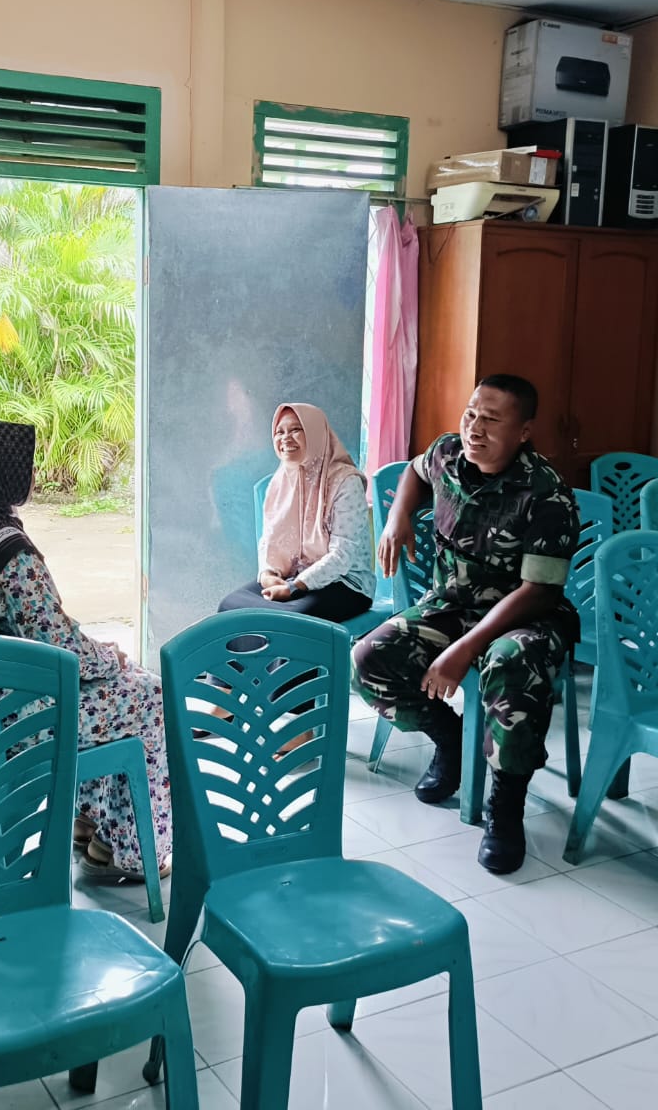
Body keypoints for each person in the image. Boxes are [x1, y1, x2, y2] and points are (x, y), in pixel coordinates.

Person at [0, 420, 171, 881]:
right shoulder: (8, 555)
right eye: (23, 466)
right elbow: (61, 648)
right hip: (12, 715)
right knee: (151, 696)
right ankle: (125, 851)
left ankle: (89, 822)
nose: (30, 475)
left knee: (123, 683)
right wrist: (110, 656)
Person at [352, 374, 578, 875]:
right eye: (471, 413)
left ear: (523, 432)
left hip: (525, 616)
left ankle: (506, 807)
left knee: (512, 662)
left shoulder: (547, 494)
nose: (475, 428)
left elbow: (538, 591)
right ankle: (451, 742)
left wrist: (463, 650)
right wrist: (399, 516)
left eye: (492, 420)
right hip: (452, 603)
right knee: (369, 658)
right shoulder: (447, 453)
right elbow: (415, 472)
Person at [217, 403, 375, 620]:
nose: (285, 438)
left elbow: (342, 555)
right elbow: (268, 540)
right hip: (291, 577)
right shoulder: (279, 482)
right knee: (229, 608)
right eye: (279, 432)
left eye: (295, 430)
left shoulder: (345, 482)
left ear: (315, 433)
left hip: (345, 583)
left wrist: (294, 587)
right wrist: (268, 574)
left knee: (286, 620)